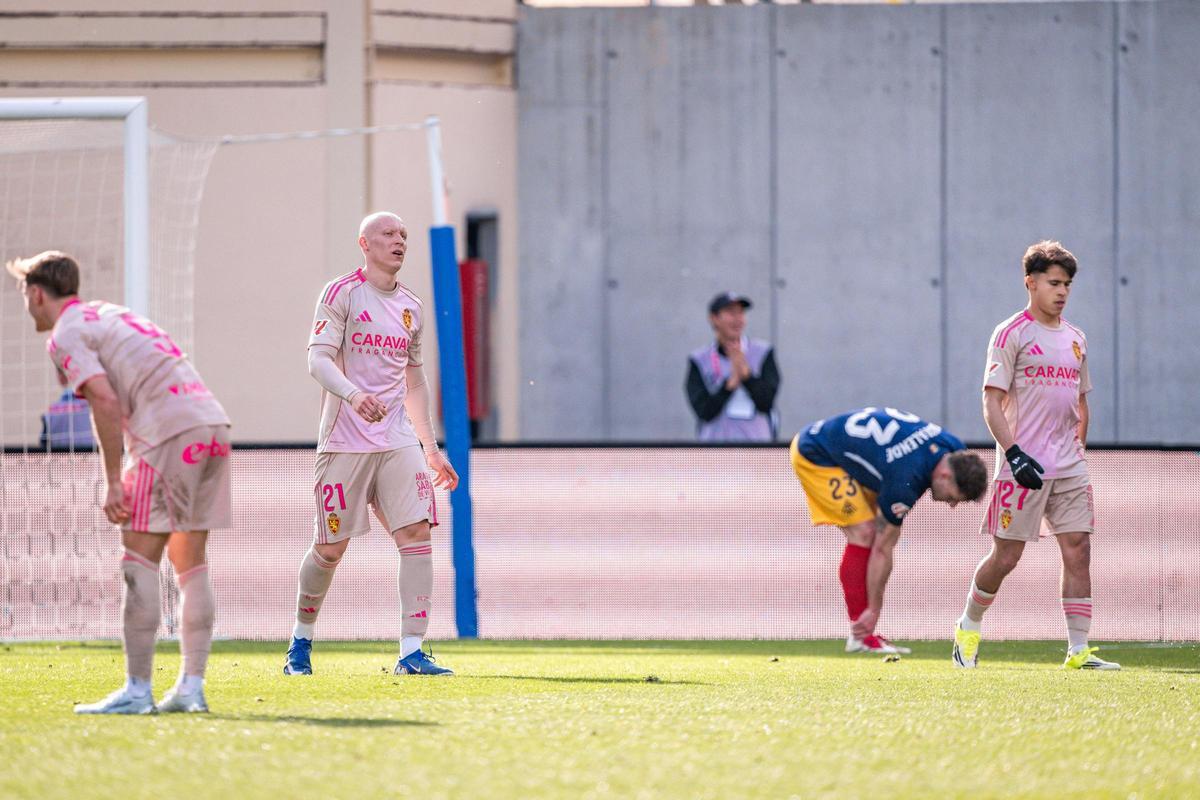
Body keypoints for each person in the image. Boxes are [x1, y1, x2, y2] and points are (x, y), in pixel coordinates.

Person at [7, 250, 231, 714]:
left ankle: (137, 690)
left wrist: (113, 481)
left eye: (23, 294)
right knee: (191, 563)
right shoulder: (110, 313)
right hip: (211, 426)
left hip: (166, 434)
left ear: (36, 293)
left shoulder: (66, 333)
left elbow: (105, 402)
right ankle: (190, 688)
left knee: (138, 562)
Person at [284, 211, 459, 677]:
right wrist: (354, 394)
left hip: (397, 439)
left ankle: (411, 651)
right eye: (388, 233)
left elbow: (414, 380)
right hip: (344, 440)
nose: (398, 240)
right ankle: (300, 643)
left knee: (417, 535)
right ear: (364, 243)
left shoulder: (411, 307)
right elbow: (317, 359)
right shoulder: (342, 293)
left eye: (403, 234)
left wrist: (430, 447)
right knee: (330, 549)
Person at [953, 241, 1118, 670]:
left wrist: (1079, 446)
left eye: (1067, 284)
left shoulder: (1077, 339)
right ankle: (968, 627)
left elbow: (1081, 402)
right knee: (1006, 556)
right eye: (1053, 283)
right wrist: (1014, 453)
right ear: (1031, 283)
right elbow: (991, 401)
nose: (1061, 291)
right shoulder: (1011, 333)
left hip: (1069, 467)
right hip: (1022, 467)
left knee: (1078, 548)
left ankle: (1078, 651)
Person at [791, 407, 988, 654]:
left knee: (872, 532)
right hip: (815, 452)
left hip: (850, 450)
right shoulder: (905, 479)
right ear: (945, 475)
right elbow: (882, 550)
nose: (951, 505)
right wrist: (874, 609)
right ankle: (860, 635)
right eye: (953, 497)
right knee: (864, 533)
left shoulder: (953, 448)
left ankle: (863, 634)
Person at [686, 292, 780, 442]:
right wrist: (729, 385)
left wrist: (747, 376)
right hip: (715, 451)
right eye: (731, 313)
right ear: (714, 318)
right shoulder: (699, 359)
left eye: (741, 313)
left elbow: (766, 402)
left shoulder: (763, 353)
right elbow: (703, 411)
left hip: (758, 450)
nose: (738, 319)